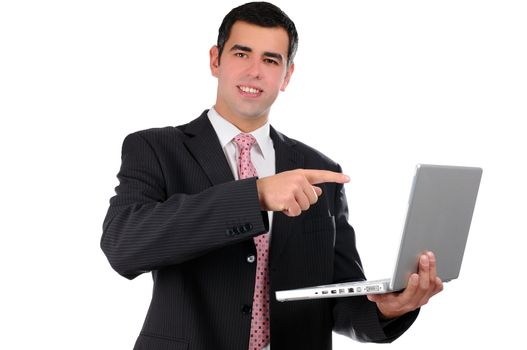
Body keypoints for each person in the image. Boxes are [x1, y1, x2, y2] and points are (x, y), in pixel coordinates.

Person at [101, 2, 443, 349]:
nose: (254, 72)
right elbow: (123, 246)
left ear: (287, 75)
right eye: (241, 54)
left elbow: (337, 297)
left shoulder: (319, 169)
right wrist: (255, 195)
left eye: (270, 60)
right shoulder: (156, 148)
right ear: (215, 60)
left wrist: (388, 309)